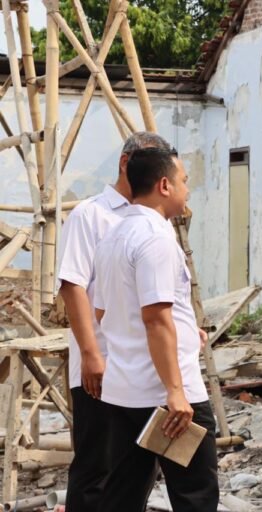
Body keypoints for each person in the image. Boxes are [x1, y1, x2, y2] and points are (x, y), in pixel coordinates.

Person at [93, 147, 219, 511]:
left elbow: (106, 312)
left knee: (123, 493)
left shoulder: (114, 237)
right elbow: (155, 318)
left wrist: (184, 333)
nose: (187, 189)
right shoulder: (156, 237)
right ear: (164, 185)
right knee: (194, 494)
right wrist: (175, 391)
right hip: (168, 397)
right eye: (183, 181)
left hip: (125, 391)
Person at [57, 132, 172, 512]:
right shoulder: (91, 214)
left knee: (137, 467)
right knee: (97, 466)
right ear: (127, 163)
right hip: (102, 364)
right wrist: (90, 354)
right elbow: (73, 287)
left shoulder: (157, 220)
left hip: (143, 369)